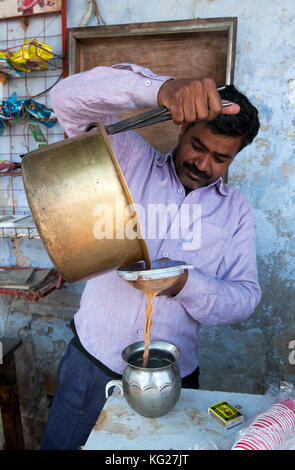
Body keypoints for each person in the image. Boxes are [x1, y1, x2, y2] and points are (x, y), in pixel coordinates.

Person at [41, 63, 261, 450]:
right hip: (90, 368)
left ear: (235, 156)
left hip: (172, 380)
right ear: (181, 128)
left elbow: (245, 297)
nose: (204, 164)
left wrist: (184, 283)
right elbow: (66, 99)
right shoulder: (126, 156)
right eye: (197, 146)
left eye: (221, 158)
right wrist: (162, 90)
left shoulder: (237, 211)